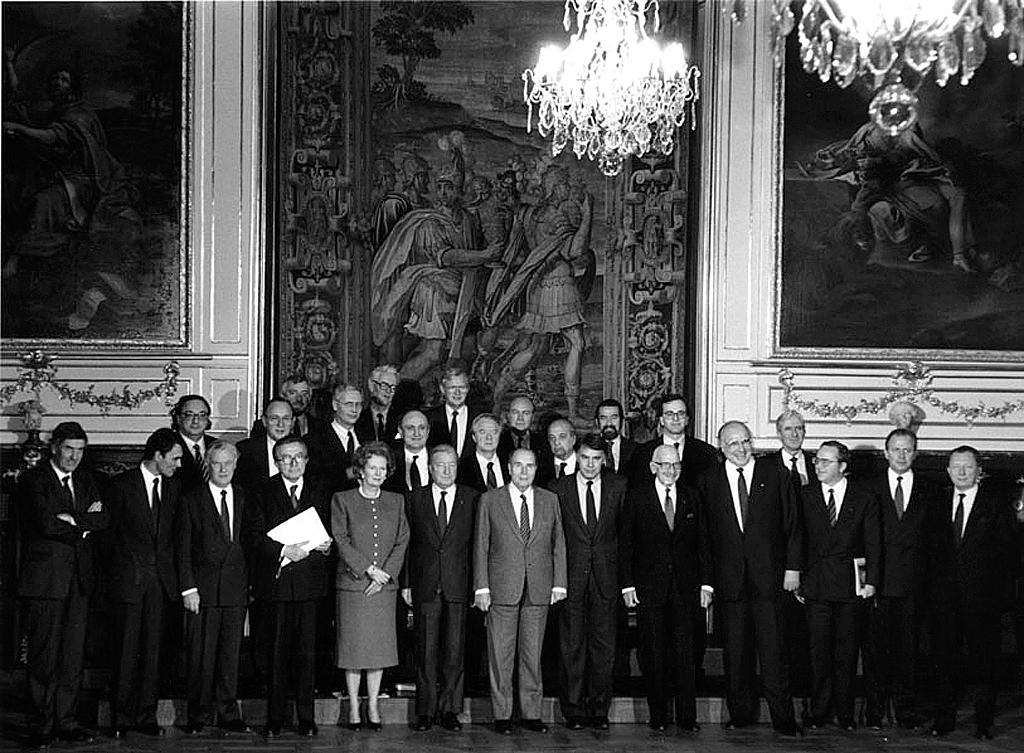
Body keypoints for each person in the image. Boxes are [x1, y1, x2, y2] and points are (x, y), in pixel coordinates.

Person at [697, 421, 802, 736]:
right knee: (736, 652)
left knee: (774, 652)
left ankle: (783, 718)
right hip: (730, 582)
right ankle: (740, 714)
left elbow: (793, 526)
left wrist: (793, 569)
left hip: (769, 580)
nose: (741, 449)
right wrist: (708, 582)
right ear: (721, 448)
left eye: (745, 441)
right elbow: (705, 538)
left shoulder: (777, 474)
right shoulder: (708, 481)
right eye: (733, 444)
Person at [17, 422, 108, 748]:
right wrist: (81, 525)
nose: (74, 456)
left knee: (72, 657)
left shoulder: (86, 479)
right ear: (55, 446)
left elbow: (102, 517)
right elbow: (44, 522)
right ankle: (40, 726)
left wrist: (74, 520)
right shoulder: (33, 479)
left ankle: (66, 722)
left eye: (80, 450)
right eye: (69, 448)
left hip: (79, 581)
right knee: (44, 658)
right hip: (45, 582)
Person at [484, 167, 594, 422]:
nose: (567, 190)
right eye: (564, 185)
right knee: (577, 342)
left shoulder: (531, 215)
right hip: (558, 284)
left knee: (534, 347)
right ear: (556, 187)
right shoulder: (558, 217)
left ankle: (497, 399)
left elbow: (521, 251)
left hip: (537, 285)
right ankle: (574, 412)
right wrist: (588, 215)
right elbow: (574, 250)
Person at [370, 163, 499, 380]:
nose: (442, 193)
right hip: (435, 291)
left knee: (467, 350)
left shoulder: (466, 220)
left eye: (448, 187)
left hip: (463, 292)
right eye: (439, 187)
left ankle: (450, 398)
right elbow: (446, 257)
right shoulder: (430, 222)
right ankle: (393, 394)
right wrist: (484, 255)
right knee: (434, 352)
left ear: (460, 190)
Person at [473, 448, 567, 735]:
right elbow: (481, 545)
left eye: (529, 466)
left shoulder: (550, 499)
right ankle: (502, 715)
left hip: (538, 588)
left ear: (537, 469)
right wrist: (481, 587)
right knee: (500, 656)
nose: (524, 472)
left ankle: (531, 714)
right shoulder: (490, 500)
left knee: (532, 654)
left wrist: (559, 583)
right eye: (518, 466)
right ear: (509, 468)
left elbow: (558, 543)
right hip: (501, 588)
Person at [244, 437, 332, 738]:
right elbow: (254, 535)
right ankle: (275, 718)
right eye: (285, 458)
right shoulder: (262, 490)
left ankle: (306, 718)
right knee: (276, 654)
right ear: (276, 461)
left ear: (307, 459)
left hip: (311, 583)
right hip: (277, 584)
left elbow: (333, 529)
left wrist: (326, 544)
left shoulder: (321, 488)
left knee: (308, 655)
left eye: (298, 457)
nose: (293, 463)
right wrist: (283, 551)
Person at [928, 446, 1016, 739]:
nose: (961, 472)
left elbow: (1008, 554)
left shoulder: (997, 503)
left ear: (979, 470)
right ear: (948, 470)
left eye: (967, 467)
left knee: (983, 662)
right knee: (944, 660)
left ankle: (983, 722)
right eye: (956, 467)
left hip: (983, 600)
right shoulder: (937, 502)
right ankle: (944, 720)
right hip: (944, 600)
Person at [104, 428, 184, 737]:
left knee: (154, 652)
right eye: (174, 458)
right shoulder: (120, 485)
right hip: (128, 582)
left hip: (161, 585)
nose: (178, 464)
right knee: (125, 652)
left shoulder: (174, 488)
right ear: (158, 455)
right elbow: (108, 539)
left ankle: (146, 715)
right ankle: (120, 718)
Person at [620, 443, 700, 732]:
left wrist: (706, 584)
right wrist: (627, 585)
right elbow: (626, 545)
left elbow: (703, 545)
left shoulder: (692, 497)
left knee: (685, 654)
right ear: (653, 467)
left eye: (676, 465)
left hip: (685, 588)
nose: (671, 470)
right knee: (652, 653)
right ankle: (659, 718)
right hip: (648, 588)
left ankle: (687, 718)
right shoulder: (637, 498)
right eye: (665, 465)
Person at [800, 441, 880, 730]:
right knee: (819, 653)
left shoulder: (864, 496)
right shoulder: (806, 495)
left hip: (851, 587)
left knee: (847, 653)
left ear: (843, 466)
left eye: (825, 461)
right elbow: (799, 541)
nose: (818, 466)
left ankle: (845, 714)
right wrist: (800, 579)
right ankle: (819, 712)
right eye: (816, 460)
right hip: (817, 586)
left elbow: (873, 542)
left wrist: (871, 581)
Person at [550, 434, 627, 730]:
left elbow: (624, 535)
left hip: (606, 579)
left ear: (604, 460)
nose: (591, 464)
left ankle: (598, 710)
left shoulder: (619, 486)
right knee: (571, 646)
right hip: (570, 578)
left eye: (597, 459)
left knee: (603, 647)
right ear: (576, 457)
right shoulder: (558, 488)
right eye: (585, 458)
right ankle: (573, 711)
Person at [863, 428, 938, 729]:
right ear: (886, 453)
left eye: (908, 450)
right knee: (875, 649)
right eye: (896, 449)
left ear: (915, 453)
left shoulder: (930, 490)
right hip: (878, 582)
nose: (902, 455)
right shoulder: (869, 487)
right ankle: (875, 710)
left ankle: (905, 709)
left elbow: (935, 541)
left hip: (913, 583)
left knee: (908, 651)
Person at [331, 442, 409, 731]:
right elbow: (340, 538)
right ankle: (353, 707)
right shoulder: (342, 499)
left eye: (382, 468)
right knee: (353, 651)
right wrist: (369, 570)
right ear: (360, 471)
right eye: (372, 468)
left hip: (383, 589)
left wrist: (385, 574)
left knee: (378, 651)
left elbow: (403, 540)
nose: (377, 473)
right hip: (354, 586)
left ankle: (374, 705)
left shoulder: (396, 500)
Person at [400, 445, 478, 731]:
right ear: (430, 468)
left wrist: (477, 586)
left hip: (459, 584)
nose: (446, 470)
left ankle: (450, 710)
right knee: (425, 651)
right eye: (440, 465)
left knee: (454, 652)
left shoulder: (472, 498)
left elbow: (476, 546)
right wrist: (407, 583)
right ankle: (425, 711)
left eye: (452, 465)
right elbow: (407, 544)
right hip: (425, 583)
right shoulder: (414, 499)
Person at [175, 441, 250, 735]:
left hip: (235, 590)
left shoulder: (244, 497)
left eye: (228, 463)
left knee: (230, 658)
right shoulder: (191, 499)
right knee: (200, 658)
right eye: (217, 463)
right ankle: (198, 715)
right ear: (208, 465)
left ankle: (229, 714)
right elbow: (182, 548)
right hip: (201, 592)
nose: (222, 469)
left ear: (235, 465)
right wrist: (188, 588)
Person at [772, 410, 813, 716]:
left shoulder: (818, 463)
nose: (794, 434)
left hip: (813, 560)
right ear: (779, 433)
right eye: (788, 429)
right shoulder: (767, 468)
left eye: (799, 428)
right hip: (780, 563)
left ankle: (806, 693)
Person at [629, 394, 718, 489]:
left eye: (681, 413)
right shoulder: (643, 452)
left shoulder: (706, 452)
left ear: (687, 419)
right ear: (661, 420)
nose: (676, 418)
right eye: (669, 414)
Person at [307, 383, 364, 492]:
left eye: (358, 404)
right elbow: (314, 481)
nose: (354, 410)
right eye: (349, 404)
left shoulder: (366, 436)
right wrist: (347, 474)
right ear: (335, 405)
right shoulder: (315, 439)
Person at [236, 398, 294, 493]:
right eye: (274, 418)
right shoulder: (245, 450)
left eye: (286, 418)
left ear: (292, 422)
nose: (280, 424)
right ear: (264, 421)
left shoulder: (307, 449)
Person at [425, 367, 478, 463]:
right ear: (442, 389)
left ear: (468, 389)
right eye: (452, 387)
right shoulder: (428, 418)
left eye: (462, 387)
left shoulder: (478, 418)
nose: (457, 392)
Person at [250, 374, 327, 439]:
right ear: (283, 395)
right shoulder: (263, 426)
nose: (299, 399)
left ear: (309, 397)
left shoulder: (321, 427)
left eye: (304, 394)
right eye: (293, 393)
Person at [171, 395, 217, 491]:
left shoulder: (216, 445)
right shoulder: (169, 445)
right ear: (178, 418)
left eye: (202, 414)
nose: (196, 420)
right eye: (189, 414)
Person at [382, 409, 430, 495]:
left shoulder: (439, 457)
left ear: (428, 431)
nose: (416, 433)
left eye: (422, 428)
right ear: (400, 431)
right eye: (410, 428)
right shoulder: (388, 459)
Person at [457, 413, 507, 492]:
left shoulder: (510, 463)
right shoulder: (462, 468)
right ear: (474, 437)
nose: (489, 437)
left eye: (494, 432)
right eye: (483, 432)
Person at [356, 364, 402, 443]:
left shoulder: (401, 419)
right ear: (371, 386)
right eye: (384, 386)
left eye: (393, 387)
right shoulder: (358, 418)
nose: (388, 391)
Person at [595, 398, 637, 475]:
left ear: (622, 421)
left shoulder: (635, 449)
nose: (609, 423)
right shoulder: (588, 449)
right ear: (597, 422)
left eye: (614, 418)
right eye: (603, 418)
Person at [496, 395, 544, 461]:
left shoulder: (543, 443)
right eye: (515, 412)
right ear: (508, 415)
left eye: (526, 413)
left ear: (533, 417)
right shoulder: (497, 442)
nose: (520, 418)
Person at [537, 418, 577, 488]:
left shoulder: (585, 464)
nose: (556, 442)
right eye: (552, 438)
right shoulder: (540, 468)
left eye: (562, 437)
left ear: (573, 439)